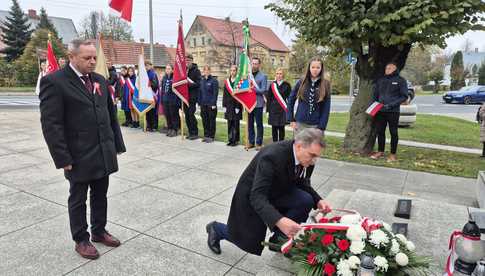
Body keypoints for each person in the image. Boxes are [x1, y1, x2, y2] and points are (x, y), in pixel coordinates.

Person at [39, 39, 126, 260]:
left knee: (101, 194)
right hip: (77, 154)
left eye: (94, 57)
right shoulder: (55, 82)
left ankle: (99, 230)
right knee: (78, 199)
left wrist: (116, 144)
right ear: (72, 57)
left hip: (102, 150)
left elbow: (109, 115)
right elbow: (52, 125)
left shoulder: (99, 79)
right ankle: (81, 239)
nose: (92, 61)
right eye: (87, 58)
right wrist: (62, 158)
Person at [205, 128, 331, 256]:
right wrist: (280, 220)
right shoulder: (272, 156)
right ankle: (216, 229)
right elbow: (257, 196)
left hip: (277, 190)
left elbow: (301, 180)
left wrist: (318, 199)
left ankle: (279, 241)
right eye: (312, 155)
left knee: (305, 200)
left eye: (317, 156)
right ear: (299, 146)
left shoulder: (305, 158)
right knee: (247, 240)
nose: (314, 161)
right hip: (253, 194)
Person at [369, 61, 408, 162]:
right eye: (386, 68)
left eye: (389, 68)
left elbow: (404, 96)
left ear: (395, 69)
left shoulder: (401, 80)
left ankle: (392, 154)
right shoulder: (381, 80)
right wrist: (375, 105)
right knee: (380, 132)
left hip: (393, 111)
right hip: (380, 111)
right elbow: (375, 95)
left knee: (393, 132)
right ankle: (380, 151)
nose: (387, 70)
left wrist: (391, 105)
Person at [287, 57, 331, 134]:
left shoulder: (325, 84)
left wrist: (321, 127)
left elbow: (326, 108)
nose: (315, 70)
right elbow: (291, 100)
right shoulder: (301, 82)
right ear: (309, 68)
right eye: (313, 67)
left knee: (314, 146)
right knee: (299, 145)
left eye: (318, 67)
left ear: (321, 69)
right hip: (300, 123)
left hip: (316, 125)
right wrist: (291, 119)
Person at [247, 57, 268, 150]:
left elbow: (263, 90)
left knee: (259, 124)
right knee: (250, 124)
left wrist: (252, 89)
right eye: (253, 63)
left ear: (259, 65)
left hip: (258, 104)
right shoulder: (248, 75)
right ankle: (251, 142)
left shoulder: (263, 76)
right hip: (249, 103)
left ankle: (258, 143)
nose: (254, 65)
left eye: (256, 63)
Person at [267, 68, 291, 142]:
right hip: (273, 110)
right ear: (275, 74)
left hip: (282, 110)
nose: (279, 75)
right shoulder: (272, 85)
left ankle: (280, 145)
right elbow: (269, 99)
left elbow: (290, 99)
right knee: (274, 128)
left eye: (280, 73)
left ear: (283, 75)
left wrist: (290, 111)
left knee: (281, 128)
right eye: (277, 73)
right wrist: (268, 111)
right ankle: (274, 145)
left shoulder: (287, 85)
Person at [223, 65, 242, 146]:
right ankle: (230, 139)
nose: (232, 72)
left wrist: (238, 106)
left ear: (236, 71)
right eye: (231, 70)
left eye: (234, 70)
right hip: (228, 105)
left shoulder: (238, 81)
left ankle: (235, 140)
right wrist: (224, 105)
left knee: (235, 123)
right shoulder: (227, 81)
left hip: (236, 106)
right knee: (229, 123)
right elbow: (224, 94)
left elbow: (240, 95)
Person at [199, 65, 219, 143]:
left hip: (211, 105)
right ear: (203, 72)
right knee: (205, 120)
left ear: (210, 71)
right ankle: (206, 135)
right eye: (205, 70)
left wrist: (214, 103)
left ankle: (211, 136)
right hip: (203, 105)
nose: (206, 72)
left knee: (211, 121)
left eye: (208, 70)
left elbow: (215, 93)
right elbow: (200, 93)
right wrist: (199, 102)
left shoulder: (214, 81)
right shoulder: (202, 80)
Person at [184, 54, 201, 140]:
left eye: (188, 61)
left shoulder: (196, 71)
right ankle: (190, 132)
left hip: (192, 97)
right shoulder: (184, 70)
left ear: (192, 61)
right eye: (186, 61)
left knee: (191, 114)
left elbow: (198, 84)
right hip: (185, 97)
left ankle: (195, 132)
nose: (187, 62)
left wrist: (189, 84)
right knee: (186, 115)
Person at [161, 64, 181, 137]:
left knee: (174, 116)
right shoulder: (164, 78)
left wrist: (177, 101)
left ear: (172, 70)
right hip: (165, 99)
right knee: (167, 115)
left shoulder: (175, 78)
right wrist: (162, 100)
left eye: (169, 69)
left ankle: (175, 129)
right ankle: (170, 128)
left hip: (173, 100)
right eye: (166, 69)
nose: (167, 70)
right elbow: (162, 90)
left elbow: (178, 90)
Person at [145, 61, 160, 132]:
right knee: (147, 111)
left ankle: (154, 126)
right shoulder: (144, 74)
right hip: (146, 95)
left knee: (153, 112)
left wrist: (149, 83)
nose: (146, 67)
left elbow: (155, 85)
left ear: (151, 66)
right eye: (145, 65)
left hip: (153, 95)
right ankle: (149, 125)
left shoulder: (153, 74)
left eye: (148, 65)